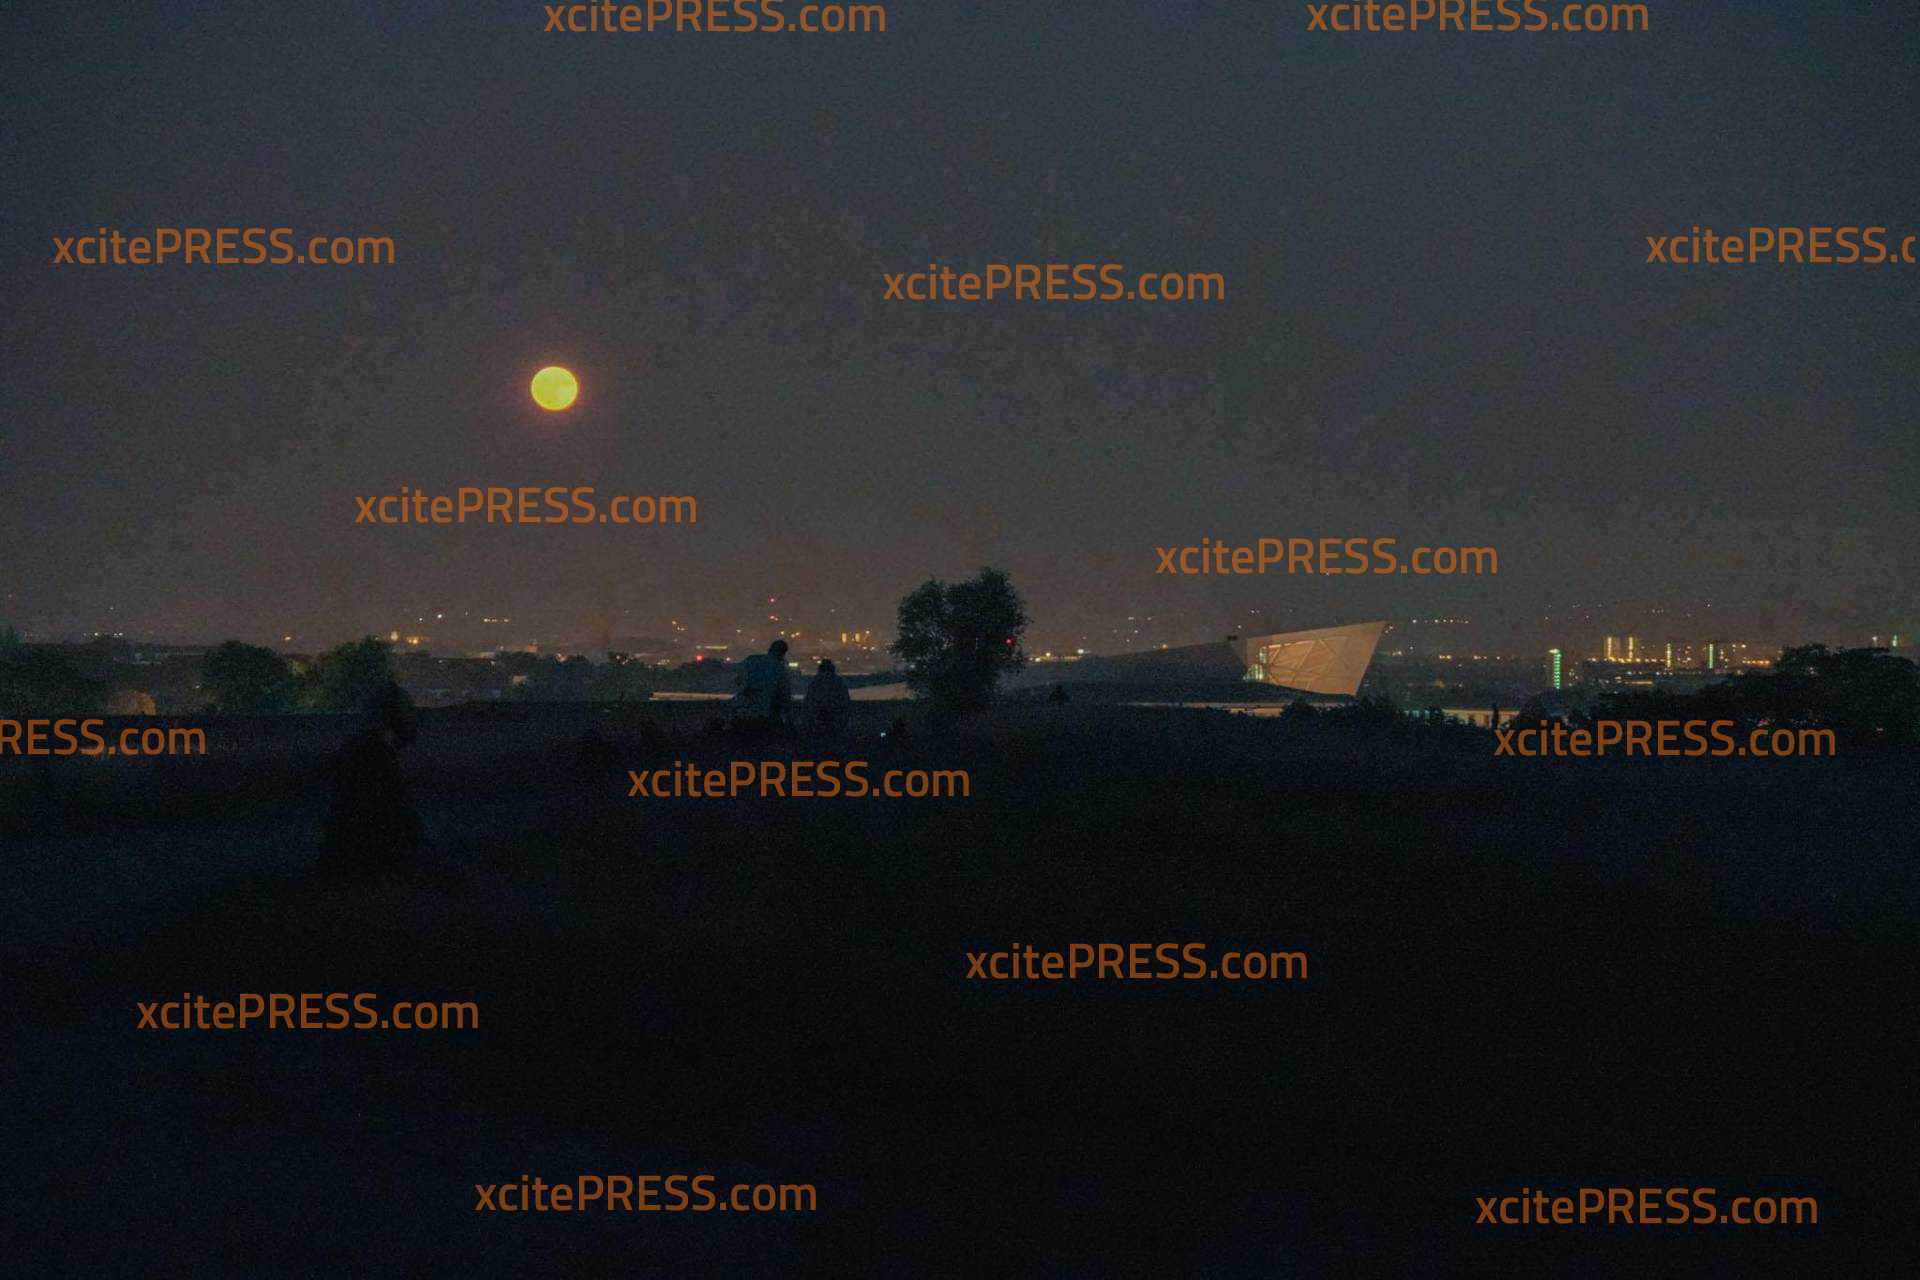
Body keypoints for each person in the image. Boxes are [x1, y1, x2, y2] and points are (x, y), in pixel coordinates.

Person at [733, 639, 791, 741]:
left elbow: (737, 680)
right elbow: (784, 694)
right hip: (764, 714)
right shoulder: (779, 668)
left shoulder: (751, 660)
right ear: (783, 653)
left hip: (742, 710)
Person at [804, 658, 851, 735]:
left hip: (818, 718)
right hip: (835, 717)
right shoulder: (839, 681)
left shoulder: (815, 682)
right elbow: (845, 700)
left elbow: (808, 701)